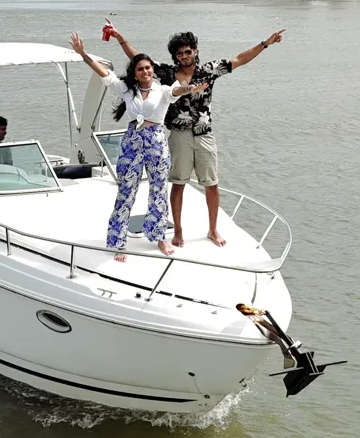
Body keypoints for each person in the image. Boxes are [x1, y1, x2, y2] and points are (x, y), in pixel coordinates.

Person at [105, 21, 285, 247]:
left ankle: (212, 230)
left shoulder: (208, 70)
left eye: (188, 51)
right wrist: (120, 38)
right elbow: (138, 59)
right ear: (175, 56)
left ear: (195, 51)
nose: (184, 56)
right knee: (178, 183)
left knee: (211, 184)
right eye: (179, 53)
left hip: (204, 134)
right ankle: (178, 232)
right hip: (178, 134)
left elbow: (240, 59)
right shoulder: (167, 73)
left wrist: (266, 43)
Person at [69, 31, 206, 261]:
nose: (145, 71)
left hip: (156, 141)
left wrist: (189, 89)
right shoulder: (127, 89)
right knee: (126, 191)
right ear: (135, 72)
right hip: (132, 141)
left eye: (148, 68)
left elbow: (176, 91)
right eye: (140, 69)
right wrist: (83, 54)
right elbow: (104, 73)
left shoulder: (162, 89)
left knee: (159, 189)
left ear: (153, 69)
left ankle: (160, 237)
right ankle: (117, 241)